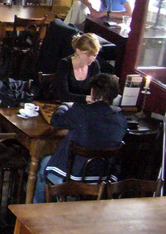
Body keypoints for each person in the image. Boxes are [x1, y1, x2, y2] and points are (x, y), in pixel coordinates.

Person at [33, 73, 128, 202]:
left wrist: (65, 105)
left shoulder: (81, 111)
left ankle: (37, 211)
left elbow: (56, 120)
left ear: (92, 91)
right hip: (103, 179)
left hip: (73, 177)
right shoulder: (120, 118)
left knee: (44, 163)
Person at [53, 33, 102, 103]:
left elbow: (97, 89)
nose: (92, 59)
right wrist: (87, 98)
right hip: (63, 105)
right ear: (78, 50)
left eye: (94, 55)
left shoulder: (94, 65)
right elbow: (63, 95)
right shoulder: (64, 64)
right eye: (88, 55)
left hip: (85, 107)